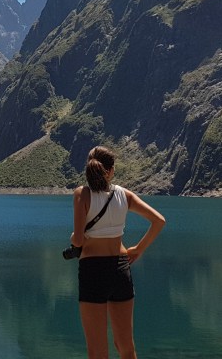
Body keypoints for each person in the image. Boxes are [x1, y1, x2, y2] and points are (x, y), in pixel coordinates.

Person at [70, 145, 166, 359]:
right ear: (111, 170)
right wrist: (138, 249)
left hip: (93, 271)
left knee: (97, 351)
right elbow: (159, 221)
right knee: (125, 346)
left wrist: (74, 239)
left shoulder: (81, 194)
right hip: (121, 269)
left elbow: (77, 240)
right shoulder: (124, 195)